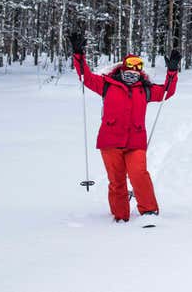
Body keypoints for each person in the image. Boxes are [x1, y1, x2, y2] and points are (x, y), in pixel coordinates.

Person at [69, 31, 181, 225]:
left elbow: (166, 92)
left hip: (135, 141)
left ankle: (149, 212)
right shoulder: (107, 85)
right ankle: (121, 217)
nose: (133, 71)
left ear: (141, 71)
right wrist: (79, 54)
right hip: (110, 141)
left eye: (138, 68)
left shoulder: (145, 89)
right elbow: (84, 77)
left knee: (139, 175)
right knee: (117, 181)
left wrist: (172, 71)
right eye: (130, 66)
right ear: (123, 67)